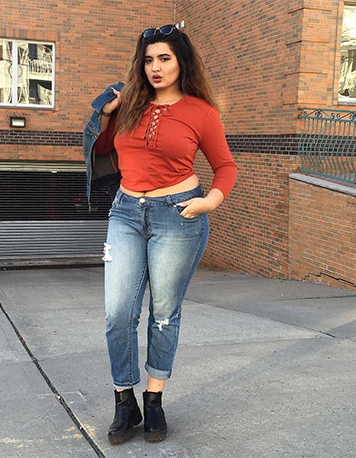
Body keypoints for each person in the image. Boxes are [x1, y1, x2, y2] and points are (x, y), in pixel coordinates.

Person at [93, 24, 237, 444]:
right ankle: (125, 401)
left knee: (164, 314)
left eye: (164, 59)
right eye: (148, 60)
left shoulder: (201, 112)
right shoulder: (129, 104)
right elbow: (102, 151)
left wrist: (210, 201)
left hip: (178, 215)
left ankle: (154, 400)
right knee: (118, 314)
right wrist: (107, 115)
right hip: (125, 212)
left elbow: (225, 166)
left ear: (181, 62)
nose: (155, 67)